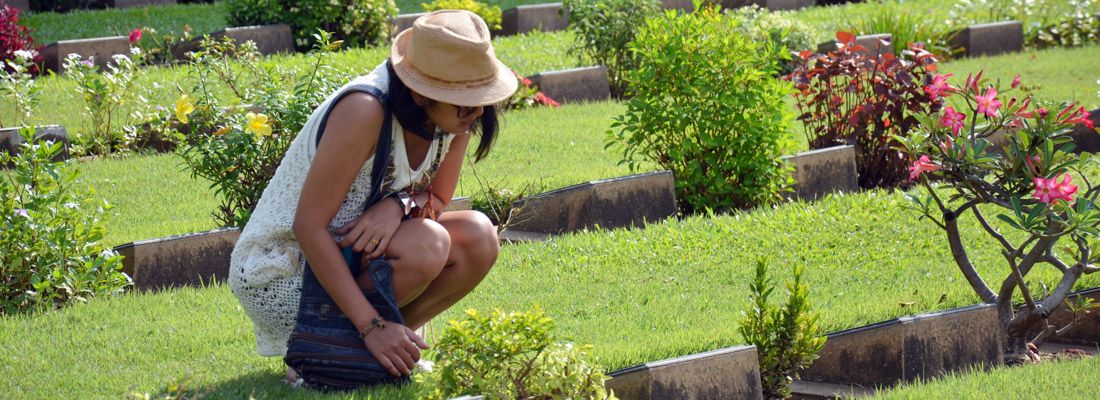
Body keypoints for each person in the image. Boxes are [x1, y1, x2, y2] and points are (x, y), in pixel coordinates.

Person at [228, 9, 517, 383]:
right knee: (426, 243)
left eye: (480, 95)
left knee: (479, 237)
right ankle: (324, 348)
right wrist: (370, 325)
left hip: (356, 256)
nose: (477, 109)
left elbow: (437, 200)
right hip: (286, 266)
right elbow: (308, 227)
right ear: (420, 92)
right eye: (463, 98)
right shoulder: (365, 109)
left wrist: (398, 206)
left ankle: (382, 350)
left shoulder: (454, 121)